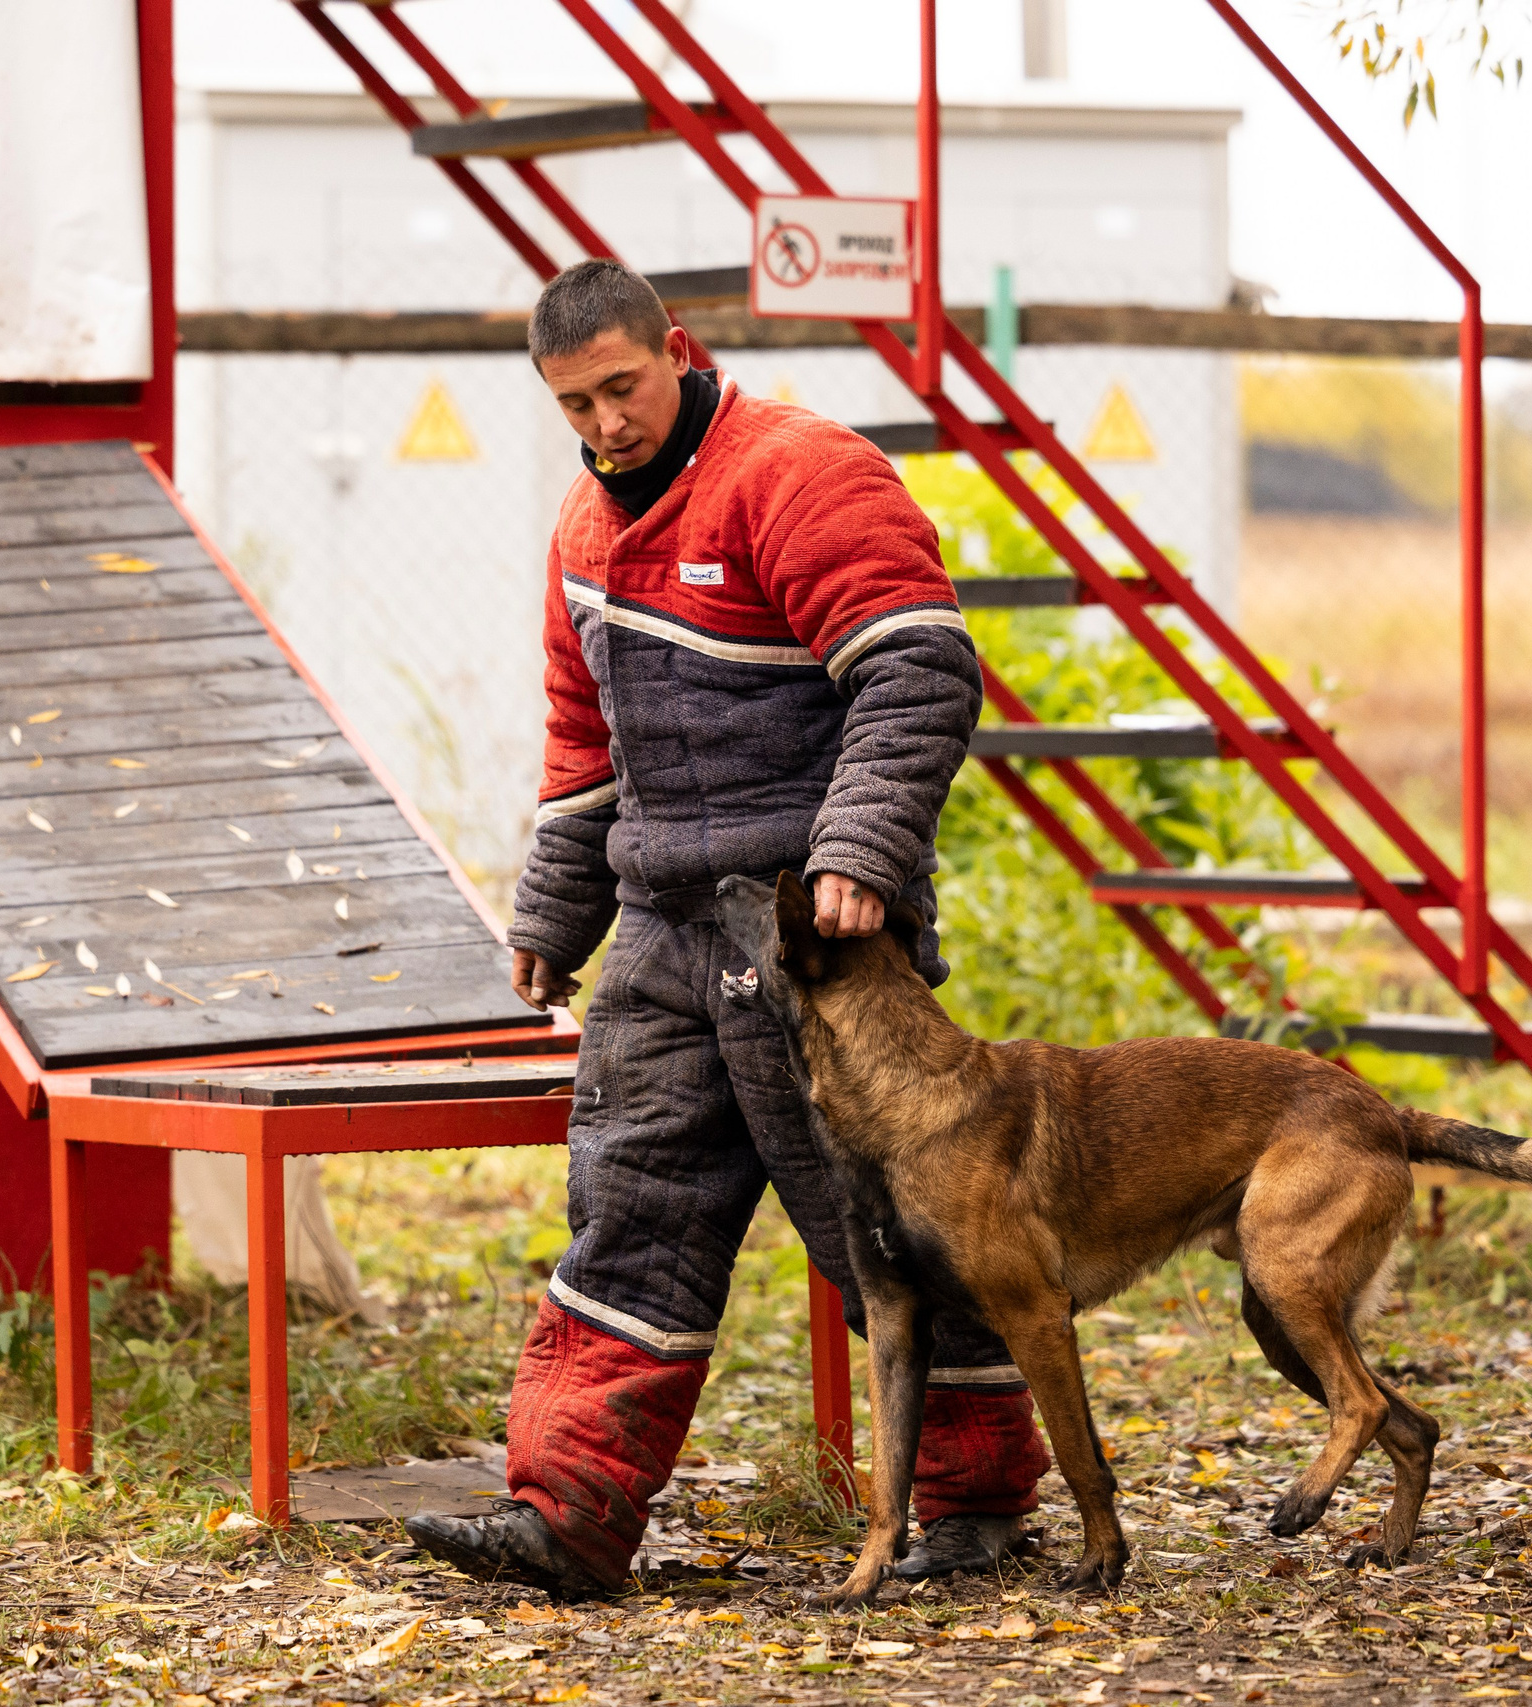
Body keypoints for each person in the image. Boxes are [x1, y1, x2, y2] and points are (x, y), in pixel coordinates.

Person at [405, 259, 1049, 1595]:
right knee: (626, 1207)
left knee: (892, 1223)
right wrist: (554, 916)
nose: (602, 426)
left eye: (621, 390)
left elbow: (918, 669)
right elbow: (585, 749)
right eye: (572, 404)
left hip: (818, 939)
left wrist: (859, 854)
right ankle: (569, 1516)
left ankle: (978, 1504)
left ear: (679, 350)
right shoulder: (582, 532)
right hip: (659, 925)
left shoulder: (803, 473)